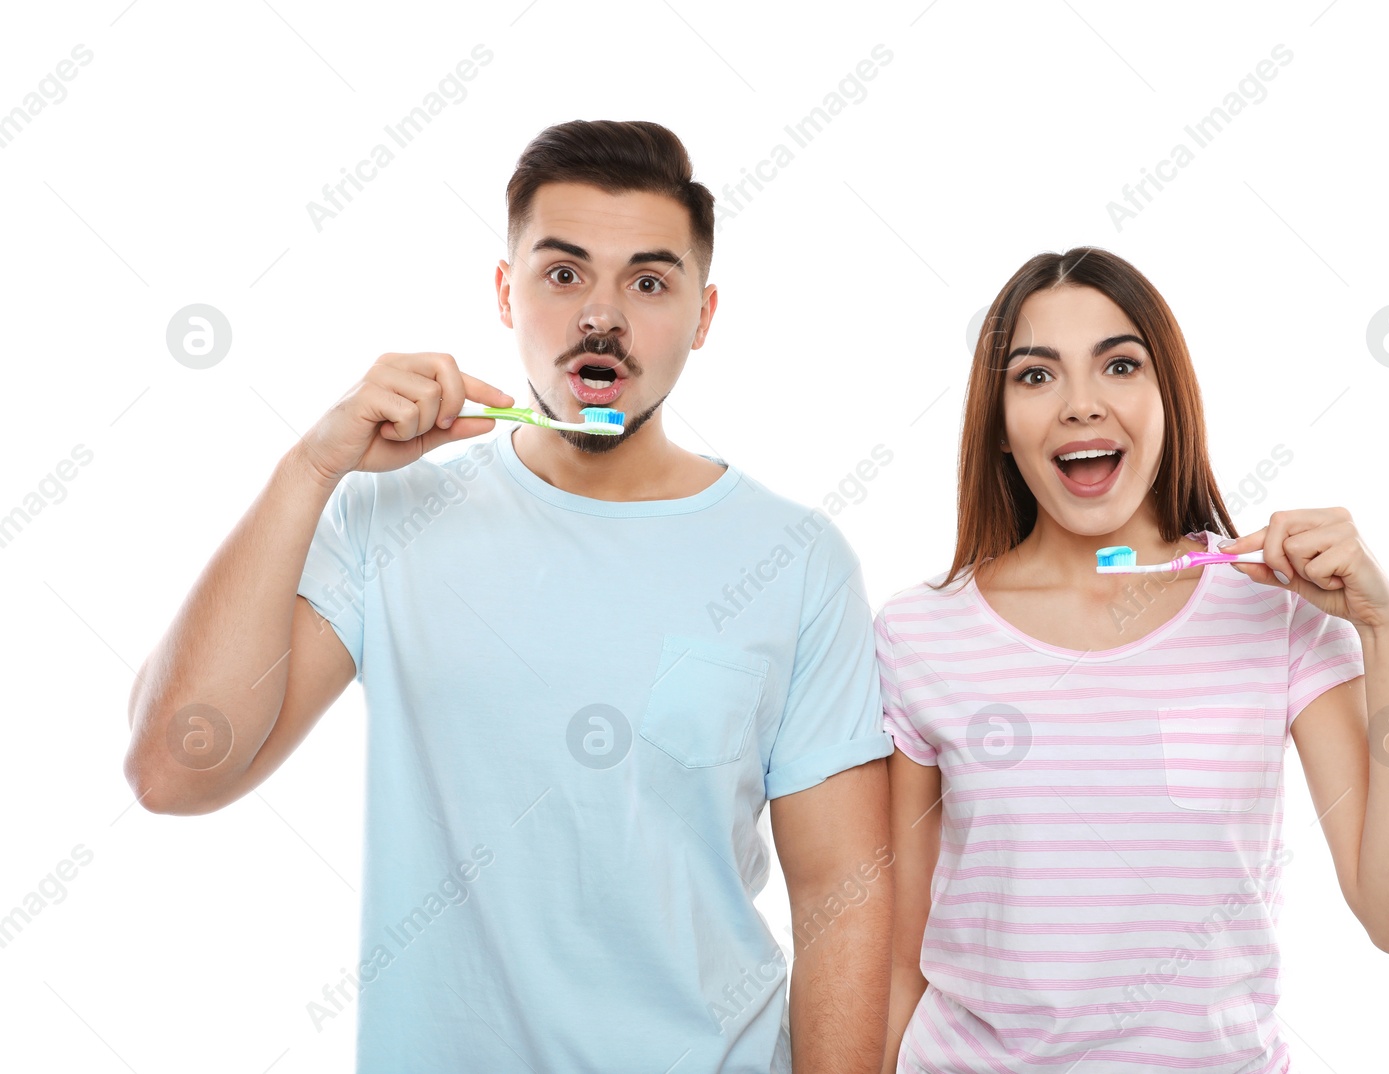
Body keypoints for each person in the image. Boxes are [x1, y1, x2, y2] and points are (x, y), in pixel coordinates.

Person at [124, 119, 894, 1074]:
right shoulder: (389, 517)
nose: (601, 316)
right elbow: (173, 771)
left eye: (648, 283)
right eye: (564, 274)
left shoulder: (797, 561)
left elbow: (841, 900)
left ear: (703, 315)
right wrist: (310, 468)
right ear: (506, 292)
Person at [875, 248, 1389, 1072]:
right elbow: (899, 959)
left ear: (1168, 399)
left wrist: (1386, 631)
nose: (1081, 404)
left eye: (1119, 365)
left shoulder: (1274, 608)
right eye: (1036, 376)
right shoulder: (921, 635)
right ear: (999, 428)